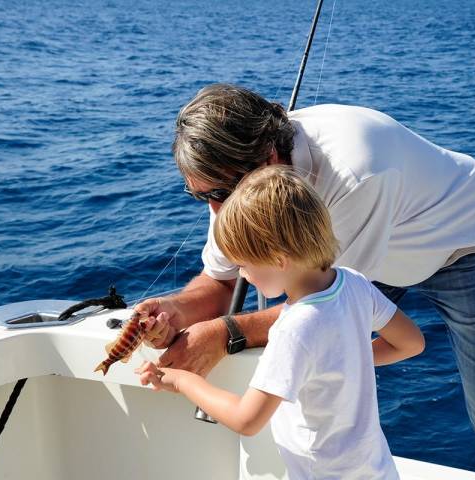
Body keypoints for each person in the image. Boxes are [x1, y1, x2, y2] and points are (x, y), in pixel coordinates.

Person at [135, 84, 475, 479]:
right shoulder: (235, 195)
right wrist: (175, 310)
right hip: (365, 255)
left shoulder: (355, 171)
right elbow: (221, 280)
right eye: (200, 196)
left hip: (465, 244)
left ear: (266, 160)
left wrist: (225, 333)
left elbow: (318, 308)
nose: (214, 208)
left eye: (221, 193)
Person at [136, 165, 424, 480]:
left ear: (278, 259)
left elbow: (247, 420)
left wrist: (182, 381)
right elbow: (410, 342)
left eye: (244, 264)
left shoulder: (293, 327)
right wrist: (340, 363)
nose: (243, 275)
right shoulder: (355, 284)